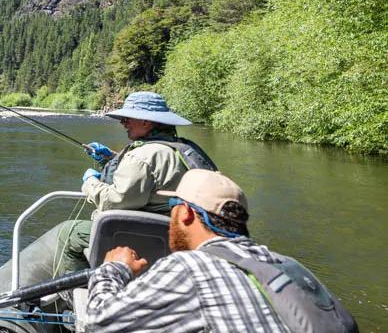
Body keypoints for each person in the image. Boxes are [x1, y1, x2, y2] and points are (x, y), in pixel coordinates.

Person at [75, 170, 358, 332]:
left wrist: (115, 269)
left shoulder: (189, 267)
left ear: (185, 212)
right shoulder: (289, 265)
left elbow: (99, 323)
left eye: (172, 206)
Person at [54, 91, 216, 275]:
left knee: (68, 233)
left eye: (127, 118)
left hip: (146, 236)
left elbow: (113, 202)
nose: (123, 123)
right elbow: (155, 174)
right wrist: (110, 159)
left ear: (146, 122)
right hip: (180, 235)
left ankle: (76, 289)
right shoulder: (185, 148)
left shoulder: (142, 156)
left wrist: (89, 182)